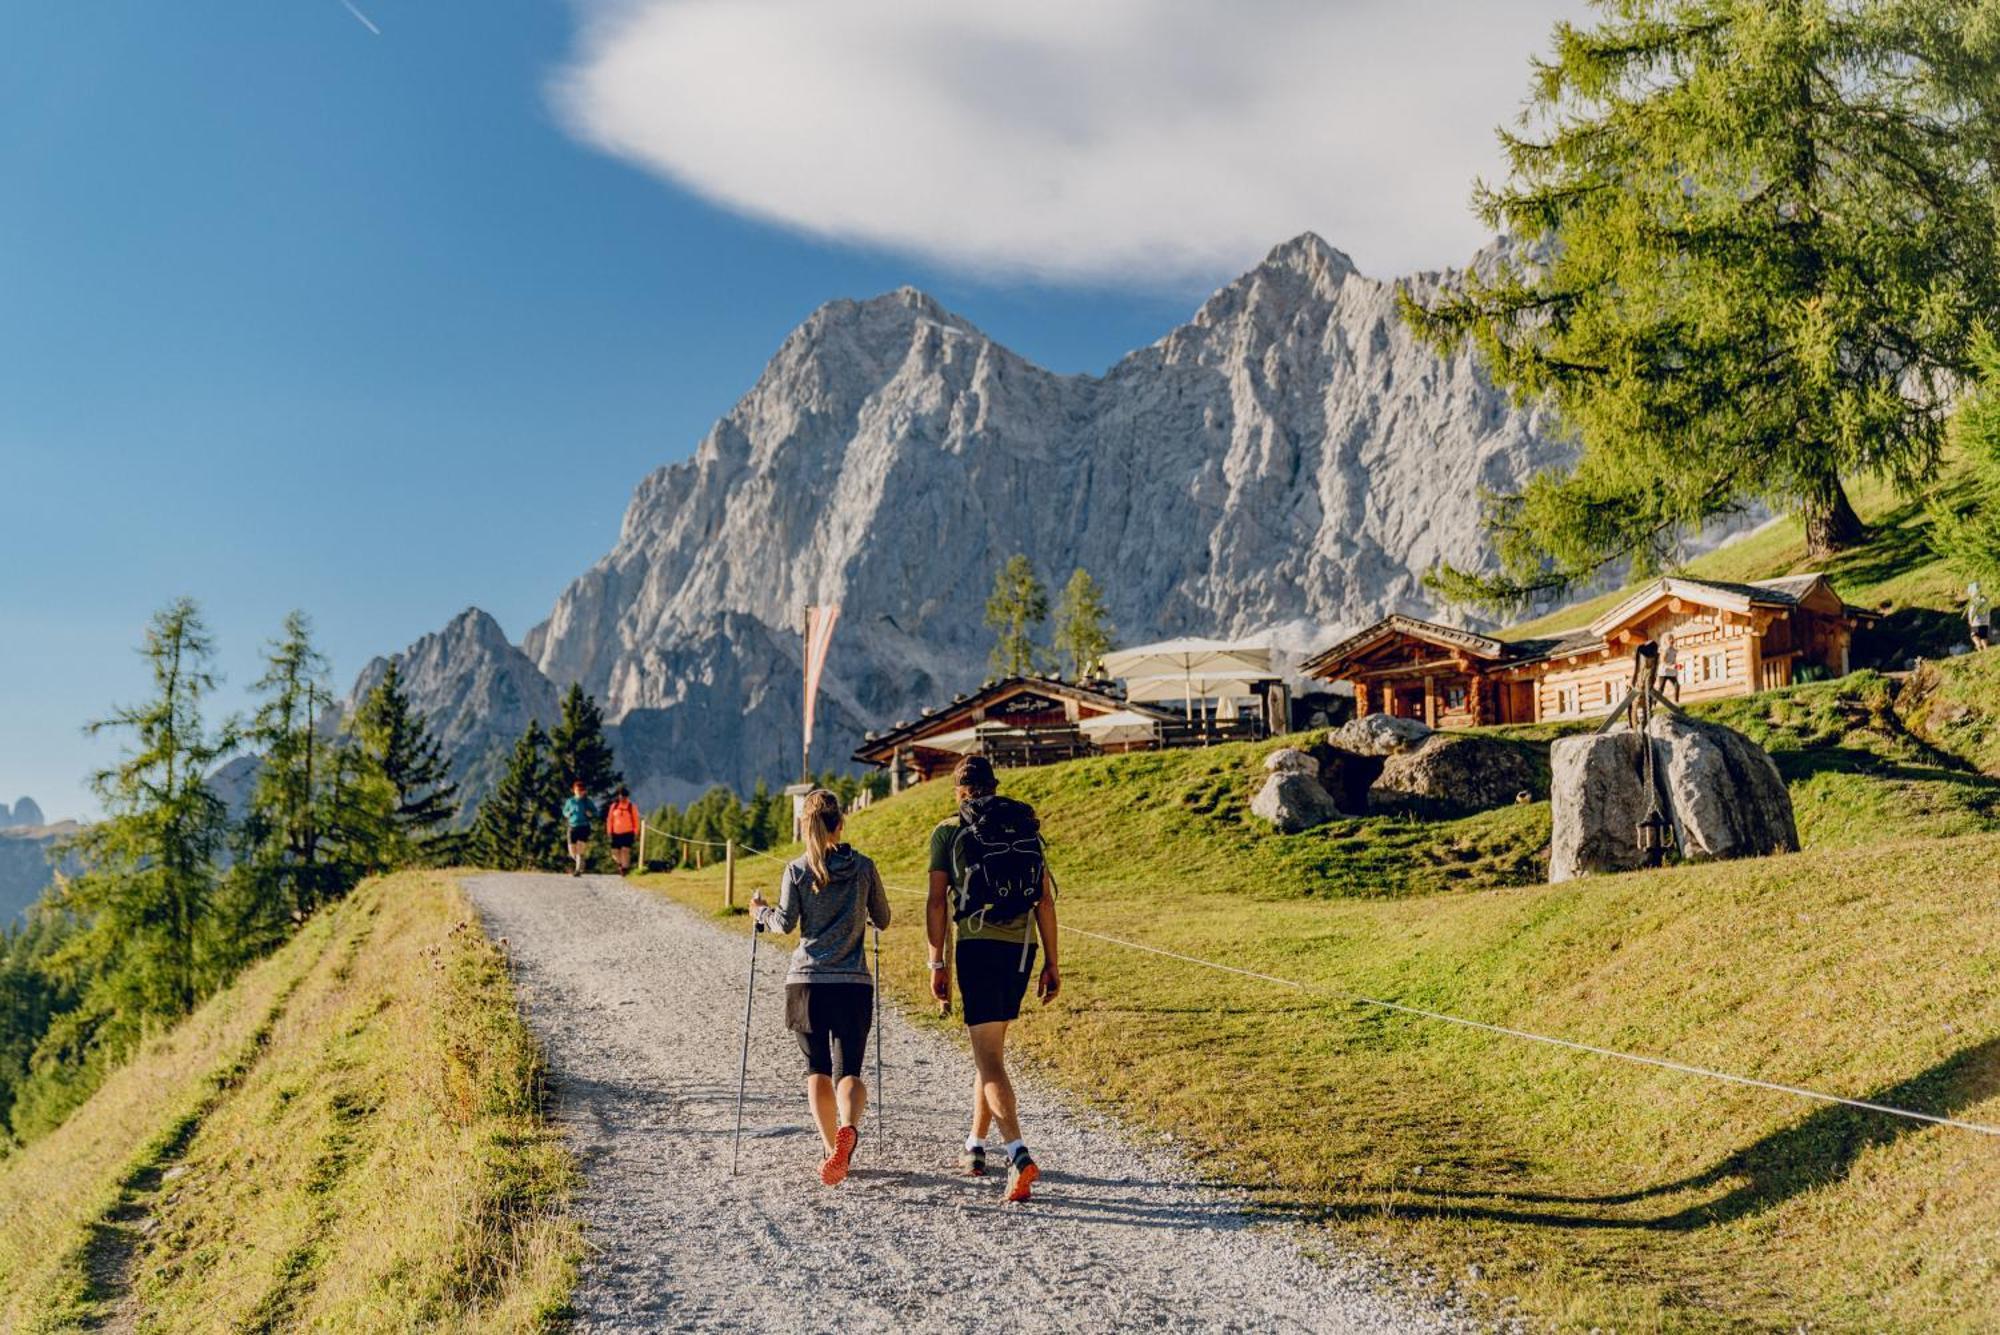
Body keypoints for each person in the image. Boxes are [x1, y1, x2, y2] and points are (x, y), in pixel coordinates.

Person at [927, 755, 1060, 1202]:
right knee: (990, 1052)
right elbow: (1045, 901)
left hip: (978, 947)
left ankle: (1018, 1153)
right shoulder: (1024, 825)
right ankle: (975, 1146)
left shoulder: (949, 830)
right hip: (1023, 949)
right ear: (993, 785)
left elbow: (936, 904)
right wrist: (1053, 964)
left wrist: (936, 963)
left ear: (959, 790)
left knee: (989, 1061)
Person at [750, 789, 890, 1186]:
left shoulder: (796, 870)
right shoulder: (863, 867)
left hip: (807, 983)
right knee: (850, 1072)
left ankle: (833, 1151)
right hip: (853, 983)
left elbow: (785, 923)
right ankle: (848, 1128)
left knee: (817, 1071)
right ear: (840, 824)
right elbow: (884, 917)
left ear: (804, 825)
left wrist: (758, 911)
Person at [561, 780, 597, 878]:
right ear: (574, 790)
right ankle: (580, 862)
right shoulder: (570, 801)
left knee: (580, 850)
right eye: (577, 790)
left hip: (584, 827)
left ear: (584, 791)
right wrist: (567, 814)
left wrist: (591, 814)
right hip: (572, 827)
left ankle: (577, 870)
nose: (579, 792)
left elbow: (595, 812)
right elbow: (564, 811)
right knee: (572, 851)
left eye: (581, 790)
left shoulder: (587, 801)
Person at [604, 785, 641, 876]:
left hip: (628, 832)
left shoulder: (631, 806)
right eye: (621, 796)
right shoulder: (614, 806)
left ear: (627, 796)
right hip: (615, 833)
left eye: (624, 796)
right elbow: (610, 819)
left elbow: (636, 820)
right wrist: (609, 831)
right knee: (615, 852)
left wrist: (636, 832)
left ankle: (625, 869)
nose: (622, 798)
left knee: (625, 850)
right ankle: (620, 864)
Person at [1970, 582, 1992, 652]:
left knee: (1974, 635)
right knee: (1983, 636)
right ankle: (1986, 649)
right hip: (1985, 622)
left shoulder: (1974, 601)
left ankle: (1979, 647)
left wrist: (1970, 620)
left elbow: (1972, 611)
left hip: (1976, 622)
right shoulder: (1985, 599)